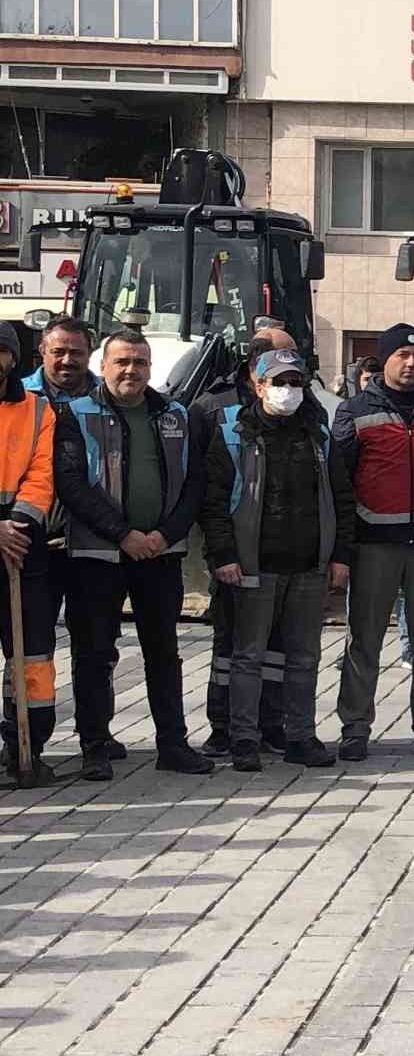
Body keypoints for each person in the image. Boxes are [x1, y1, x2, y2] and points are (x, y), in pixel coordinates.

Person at [51, 329, 212, 779]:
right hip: (97, 557)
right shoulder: (74, 415)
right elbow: (72, 485)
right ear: (103, 366)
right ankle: (95, 747)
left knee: (164, 652)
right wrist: (123, 534)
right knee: (95, 653)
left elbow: (194, 483)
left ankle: (173, 744)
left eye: (139, 362)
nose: (131, 370)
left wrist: (164, 534)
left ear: (150, 368)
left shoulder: (175, 414)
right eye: (121, 362)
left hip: (160, 555)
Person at [202, 349, 355, 771]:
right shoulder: (234, 434)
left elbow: (342, 498)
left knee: (305, 656)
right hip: (254, 565)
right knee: (247, 655)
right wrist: (224, 556)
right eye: (280, 382)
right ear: (259, 385)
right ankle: (244, 738)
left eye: (296, 383)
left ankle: (300, 736)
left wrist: (340, 557)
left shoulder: (319, 437)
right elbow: (213, 503)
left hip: (309, 565)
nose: (288, 391)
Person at [334, 324, 414, 761]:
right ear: (384, 360)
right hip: (374, 544)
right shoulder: (354, 411)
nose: (410, 364)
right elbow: (340, 483)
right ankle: (355, 728)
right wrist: (343, 546)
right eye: (400, 357)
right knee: (363, 639)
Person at [13, 317, 122, 765]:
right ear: (42, 352)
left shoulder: (106, 398)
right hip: (31, 543)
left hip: (91, 542)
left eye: (76, 352)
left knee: (97, 645)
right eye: (58, 351)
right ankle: (26, 743)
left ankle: (95, 738)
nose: (67, 360)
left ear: (89, 353)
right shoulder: (17, 398)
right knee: (31, 648)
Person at [189, 330, 297, 757]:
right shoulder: (211, 408)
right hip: (234, 549)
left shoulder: (301, 407)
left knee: (275, 646)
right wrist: (219, 550)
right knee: (230, 644)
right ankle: (223, 724)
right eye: (279, 367)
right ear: (256, 369)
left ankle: (270, 722)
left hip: (283, 548)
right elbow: (203, 484)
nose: (289, 382)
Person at [0, 323, 59, 780]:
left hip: (22, 544)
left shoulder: (38, 411)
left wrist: (16, 527)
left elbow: (42, 474)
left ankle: (27, 744)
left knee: (32, 654)